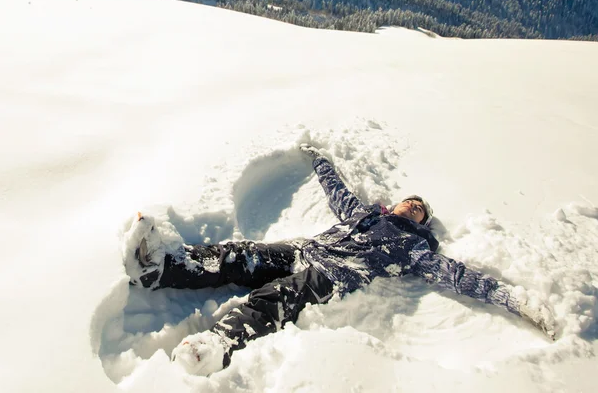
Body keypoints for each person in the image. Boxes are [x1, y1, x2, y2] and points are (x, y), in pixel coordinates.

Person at [123, 144, 555, 376]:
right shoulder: (365, 213)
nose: (411, 207)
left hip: (333, 276)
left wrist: (519, 303)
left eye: (419, 208)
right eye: (409, 201)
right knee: (240, 255)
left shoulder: (417, 249)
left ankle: (218, 344)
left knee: (277, 298)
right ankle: (162, 267)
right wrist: (320, 161)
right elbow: (339, 193)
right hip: (304, 248)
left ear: (424, 221)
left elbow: (463, 278)